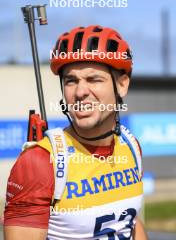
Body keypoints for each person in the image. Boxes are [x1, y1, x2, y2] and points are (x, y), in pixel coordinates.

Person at [4, 25, 148, 240]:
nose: (80, 92)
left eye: (94, 79)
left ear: (122, 85)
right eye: (71, 81)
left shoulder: (130, 145)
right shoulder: (40, 162)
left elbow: (130, 223)